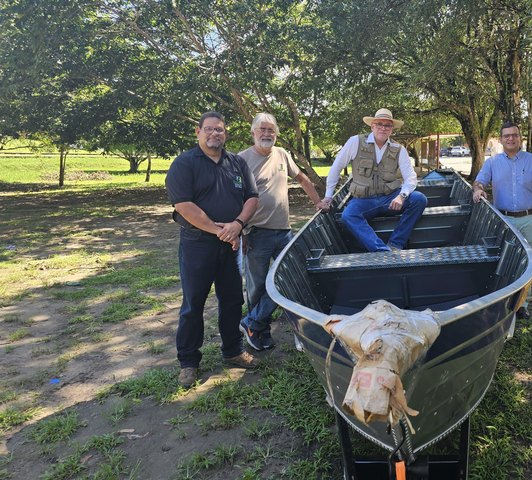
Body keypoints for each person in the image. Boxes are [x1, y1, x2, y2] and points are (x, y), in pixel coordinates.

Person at [165, 111, 260, 388]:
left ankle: (232, 351)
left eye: (219, 129)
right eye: (209, 129)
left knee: (232, 300)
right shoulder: (184, 164)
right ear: (198, 132)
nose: (214, 134)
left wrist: (238, 224)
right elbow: (183, 206)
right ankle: (188, 363)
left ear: (225, 134)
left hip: (231, 245)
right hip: (198, 244)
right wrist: (221, 231)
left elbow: (252, 197)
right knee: (193, 304)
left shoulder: (237, 163)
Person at [238, 112, 325, 351]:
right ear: (253, 132)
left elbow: (302, 178)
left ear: (276, 133)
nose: (267, 134)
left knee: (293, 278)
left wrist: (317, 201)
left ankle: (253, 322)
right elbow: (232, 196)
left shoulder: (282, 154)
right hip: (255, 233)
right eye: (262, 130)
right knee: (257, 287)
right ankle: (259, 332)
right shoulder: (241, 160)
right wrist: (240, 230)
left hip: (283, 231)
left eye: (271, 130)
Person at [472, 121, 532, 319]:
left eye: (514, 135)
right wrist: (478, 189)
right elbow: (479, 181)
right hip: (503, 220)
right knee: (505, 261)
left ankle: (522, 305)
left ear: (520, 138)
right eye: (506, 135)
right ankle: (505, 301)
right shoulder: (492, 162)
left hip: (529, 219)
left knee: (527, 262)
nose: (510, 138)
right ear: (501, 139)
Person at [320, 108, 427, 252]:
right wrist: (328, 196)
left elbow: (411, 177)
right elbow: (336, 168)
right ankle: (382, 251)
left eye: (387, 125)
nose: (383, 128)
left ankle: (396, 244)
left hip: (389, 198)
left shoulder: (399, 149)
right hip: (363, 200)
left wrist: (402, 196)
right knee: (348, 215)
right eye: (379, 124)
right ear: (372, 126)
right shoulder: (355, 142)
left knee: (419, 199)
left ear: (392, 129)